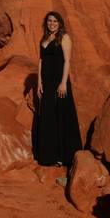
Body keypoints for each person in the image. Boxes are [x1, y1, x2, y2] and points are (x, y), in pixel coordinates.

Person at [34, 11, 82, 167]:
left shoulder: (65, 37)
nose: (52, 23)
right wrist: (39, 82)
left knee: (61, 114)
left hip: (59, 81)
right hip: (46, 82)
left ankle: (64, 156)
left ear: (60, 23)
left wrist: (63, 83)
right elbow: (41, 61)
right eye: (49, 21)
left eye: (55, 21)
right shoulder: (44, 38)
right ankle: (50, 156)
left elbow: (67, 61)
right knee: (48, 115)